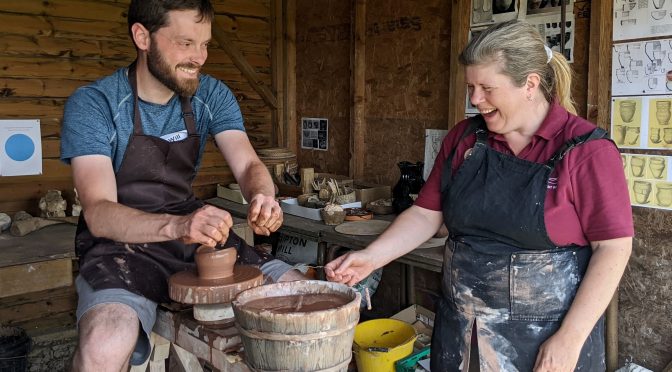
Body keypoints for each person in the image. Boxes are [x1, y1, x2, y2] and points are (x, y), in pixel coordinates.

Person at [326, 20, 633, 372]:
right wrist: (372, 257)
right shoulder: (465, 140)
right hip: (460, 330)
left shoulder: (585, 151)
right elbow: (426, 214)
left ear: (530, 84)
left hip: (545, 338)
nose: (475, 99)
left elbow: (613, 248)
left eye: (487, 87)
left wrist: (570, 338)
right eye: (471, 87)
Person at [60, 1, 304, 370]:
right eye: (186, 43)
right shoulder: (96, 104)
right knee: (104, 347)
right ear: (143, 37)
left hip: (191, 237)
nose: (199, 57)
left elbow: (249, 163)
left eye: (205, 44)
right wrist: (179, 226)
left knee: (299, 292)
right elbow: (99, 213)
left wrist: (263, 196)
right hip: (118, 247)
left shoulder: (211, 95)